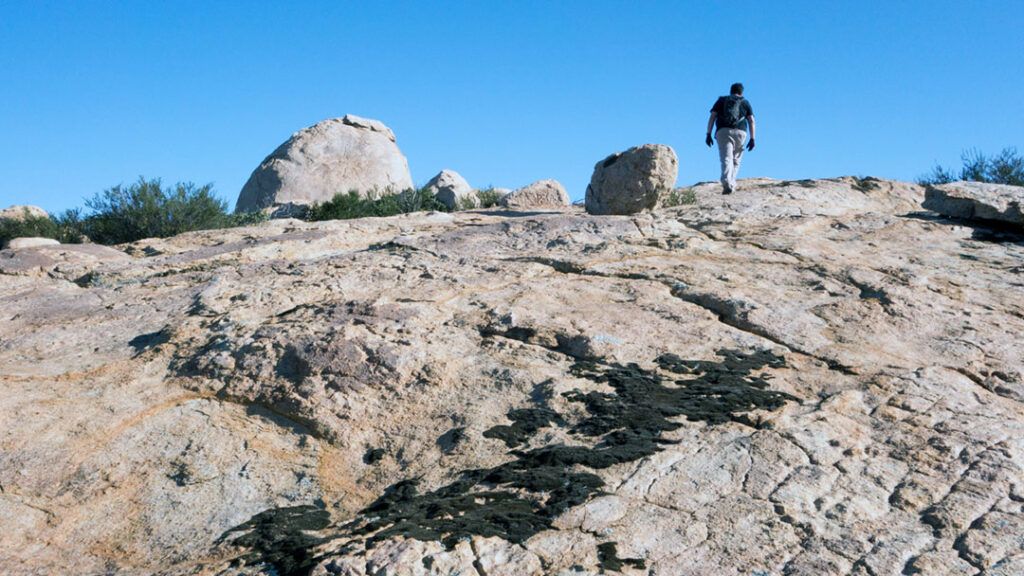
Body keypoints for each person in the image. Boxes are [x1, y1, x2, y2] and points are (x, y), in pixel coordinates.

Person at [706, 83, 756, 194]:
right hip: (740, 132)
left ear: (731, 91)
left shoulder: (721, 100)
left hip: (723, 131)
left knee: (726, 158)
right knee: (736, 160)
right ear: (741, 92)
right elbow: (751, 120)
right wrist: (753, 138)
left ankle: (726, 182)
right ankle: (731, 183)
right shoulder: (745, 102)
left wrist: (708, 134)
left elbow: (712, 116)